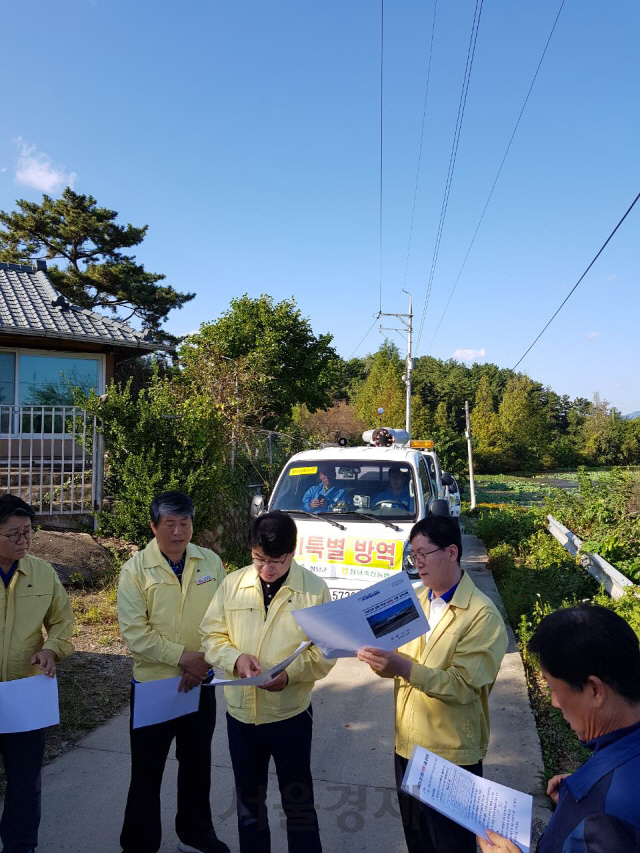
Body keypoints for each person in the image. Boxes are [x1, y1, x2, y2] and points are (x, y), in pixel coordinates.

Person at [357, 515, 508, 853]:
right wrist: (380, 662)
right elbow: (396, 658)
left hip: (450, 755)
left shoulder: (481, 615)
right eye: (413, 556)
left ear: (452, 551)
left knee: (451, 845)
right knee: (419, 841)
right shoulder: (414, 600)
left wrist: (404, 667)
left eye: (424, 554)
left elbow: (463, 686)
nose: (418, 564)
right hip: (407, 747)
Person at [200, 510, 336, 853]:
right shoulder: (233, 585)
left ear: (294, 551)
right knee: (249, 805)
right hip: (242, 717)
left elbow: (324, 652)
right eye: (259, 559)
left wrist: (289, 675)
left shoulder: (313, 590)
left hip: (289, 715)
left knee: (298, 802)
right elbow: (211, 635)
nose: (266, 568)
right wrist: (235, 659)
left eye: (276, 560)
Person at [477, 604, 640, 853]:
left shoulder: (601, 821)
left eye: (554, 689)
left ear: (595, 690)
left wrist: (591, 800)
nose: (554, 702)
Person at [117, 491, 229, 853]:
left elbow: (225, 619)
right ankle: (139, 843)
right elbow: (136, 634)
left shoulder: (211, 562)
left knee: (197, 766)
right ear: (153, 526)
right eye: (170, 524)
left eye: (185, 523)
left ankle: (195, 835)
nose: (178, 532)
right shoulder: (135, 570)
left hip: (202, 682)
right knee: (146, 772)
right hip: (155, 688)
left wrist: (204, 662)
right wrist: (185, 658)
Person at [0, 494, 74, 853]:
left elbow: (62, 620)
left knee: (25, 782)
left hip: (25, 694)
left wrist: (51, 648)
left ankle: (21, 846)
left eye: (28, 532)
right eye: (13, 534)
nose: (23, 542)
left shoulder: (42, 572)